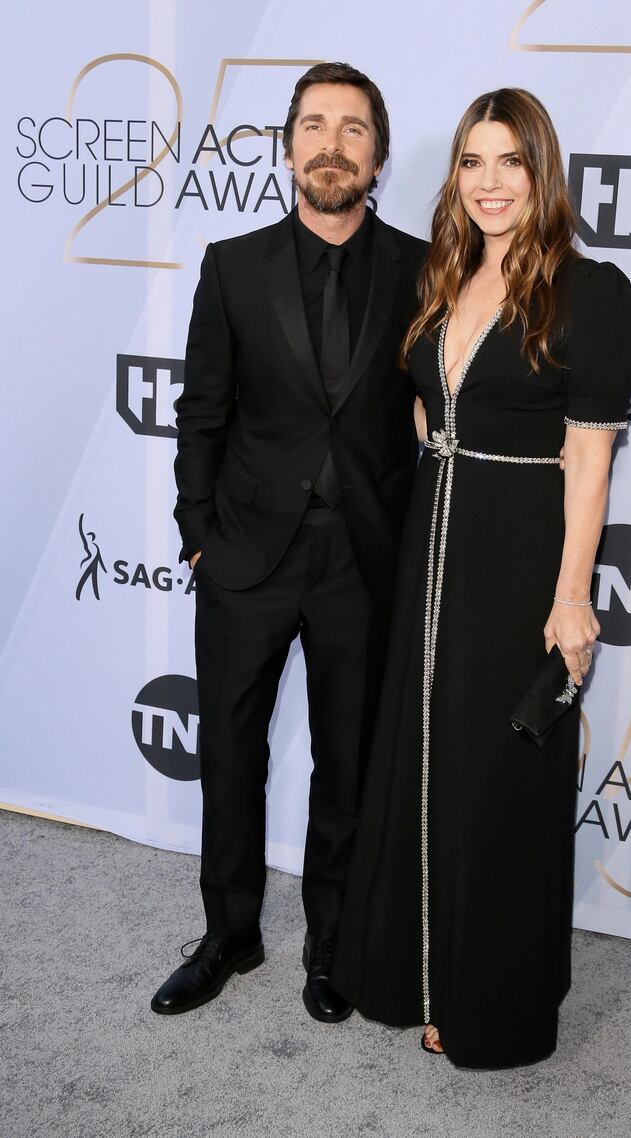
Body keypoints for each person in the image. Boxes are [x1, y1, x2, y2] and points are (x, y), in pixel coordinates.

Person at [333, 87, 631, 1067]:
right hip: (433, 549)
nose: (490, 182)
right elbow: (430, 420)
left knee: (498, 787)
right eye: (472, 162)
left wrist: (569, 595)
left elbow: (587, 460)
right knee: (423, 768)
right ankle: (420, 975)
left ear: (540, 172)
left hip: (517, 563)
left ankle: (489, 1005)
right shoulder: (442, 276)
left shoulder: (590, 293)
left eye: (509, 161)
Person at [151, 63, 427, 1021]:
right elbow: (202, 413)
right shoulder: (232, 264)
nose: (332, 145)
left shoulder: (423, 269)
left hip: (364, 561)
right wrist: (196, 535)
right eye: (315, 125)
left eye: (354, 129)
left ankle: (333, 946)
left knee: (346, 765)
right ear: (286, 146)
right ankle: (229, 934)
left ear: (378, 157)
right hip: (245, 556)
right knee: (230, 754)